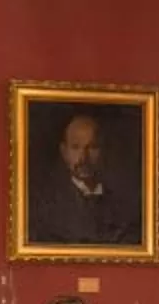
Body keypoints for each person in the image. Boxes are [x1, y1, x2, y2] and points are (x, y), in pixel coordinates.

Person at [23, 106, 142, 248]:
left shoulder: (125, 207)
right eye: (75, 147)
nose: (83, 157)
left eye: (92, 147)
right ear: (64, 152)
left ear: (104, 150)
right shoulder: (44, 207)